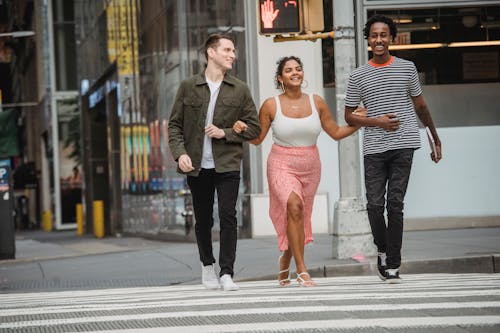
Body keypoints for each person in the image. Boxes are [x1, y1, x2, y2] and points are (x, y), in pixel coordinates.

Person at [234, 56, 363, 287]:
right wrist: (242, 130)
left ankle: (285, 259)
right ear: (280, 78)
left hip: (311, 165)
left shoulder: (317, 102)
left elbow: (334, 132)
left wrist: (359, 123)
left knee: (300, 217)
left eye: (298, 69)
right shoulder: (271, 105)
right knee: (294, 206)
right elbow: (257, 139)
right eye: (289, 70)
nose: (295, 72)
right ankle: (302, 270)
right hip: (281, 163)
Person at [344, 14, 442, 284]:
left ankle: (394, 264)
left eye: (383, 35)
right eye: (374, 35)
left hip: (404, 143)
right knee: (375, 205)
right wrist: (377, 122)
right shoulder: (357, 76)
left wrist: (434, 136)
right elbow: (349, 116)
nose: (378, 40)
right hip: (374, 146)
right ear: (368, 39)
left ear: (391, 38)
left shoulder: (407, 68)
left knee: (395, 204)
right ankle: (383, 248)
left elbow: (420, 106)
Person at [168, 34, 261, 291]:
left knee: (228, 216)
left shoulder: (240, 89)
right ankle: (207, 265)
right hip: (197, 165)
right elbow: (175, 124)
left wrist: (226, 133)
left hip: (227, 162)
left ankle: (227, 272)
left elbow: (255, 128)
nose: (233, 55)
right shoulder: (188, 86)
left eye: (234, 51)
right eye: (228, 50)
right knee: (204, 219)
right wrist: (181, 153)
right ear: (211, 52)